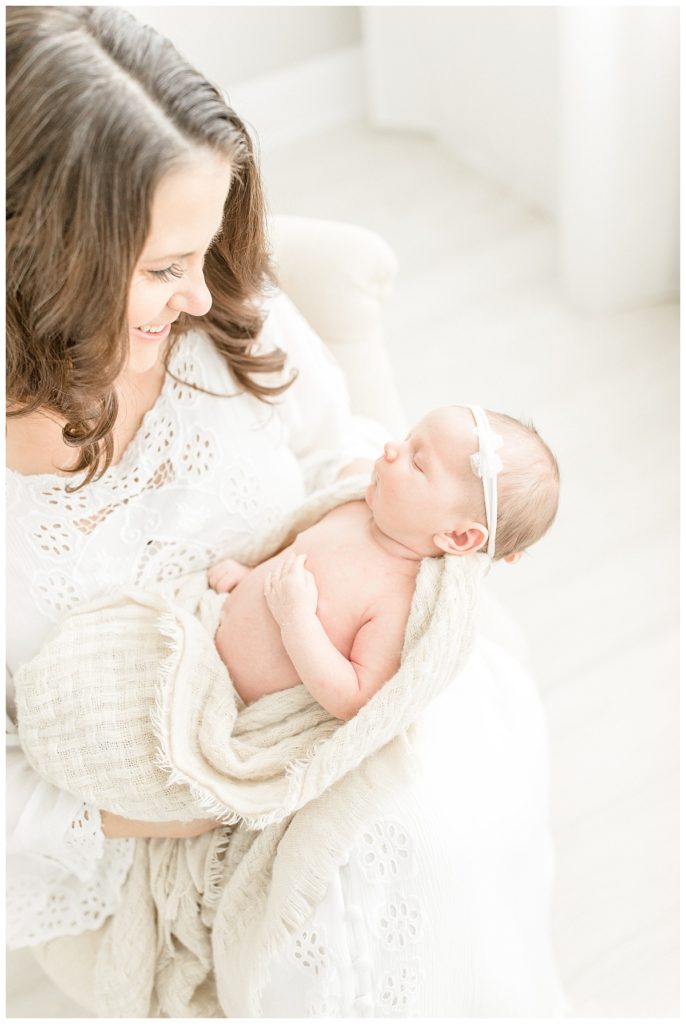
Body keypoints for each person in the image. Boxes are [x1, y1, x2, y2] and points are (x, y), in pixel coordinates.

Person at [6, 6, 567, 1016]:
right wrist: (187, 801)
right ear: (43, 258)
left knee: (444, 834)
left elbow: (343, 453)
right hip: (157, 801)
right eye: (160, 268)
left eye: (206, 248)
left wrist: (389, 582)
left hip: (343, 697)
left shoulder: (224, 315)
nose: (198, 296)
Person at [210, 405, 559, 720]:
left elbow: (355, 700)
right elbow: (294, 546)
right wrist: (250, 574)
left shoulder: (397, 600)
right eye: (408, 439)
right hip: (211, 623)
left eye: (418, 462)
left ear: (458, 537)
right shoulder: (355, 509)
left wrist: (296, 619)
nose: (391, 449)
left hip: (235, 700)